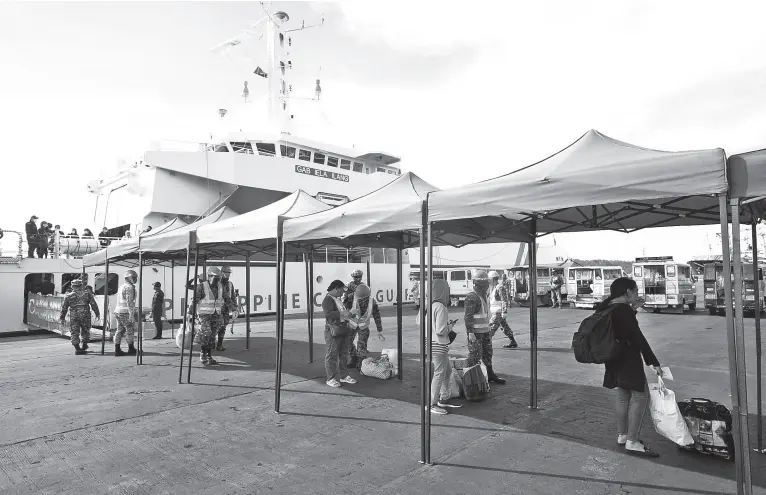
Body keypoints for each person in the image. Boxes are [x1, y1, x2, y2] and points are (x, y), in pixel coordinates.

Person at [599, 277, 663, 458]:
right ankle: (633, 441)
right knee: (641, 396)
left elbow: (621, 329)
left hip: (613, 359)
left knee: (622, 396)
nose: (637, 295)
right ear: (627, 292)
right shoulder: (623, 310)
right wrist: (653, 361)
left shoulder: (607, 306)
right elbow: (637, 337)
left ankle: (623, 435)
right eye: (635, 291)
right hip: (628, 359)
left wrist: (633, 309)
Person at [424, 279, 462, 415]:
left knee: (447, 371)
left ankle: (444, 397)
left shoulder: (430, 305)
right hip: (439, 344)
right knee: (440, 373)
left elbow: (419, 321)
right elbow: (440, 330)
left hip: (430, 342)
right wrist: (450, 326)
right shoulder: (440, 306)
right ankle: (432, 404)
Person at [464, 269, 506, 384]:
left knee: (488, 353)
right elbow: (468, 316)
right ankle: (472, 380)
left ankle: (490, 375)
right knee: (475, 356)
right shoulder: (472, 297)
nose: (487, 285)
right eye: (485, 283)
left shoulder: (483, 295)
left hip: (485, 331)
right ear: (479, 284)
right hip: (476, 333)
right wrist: (470, 333)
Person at [188, 266, 232, 365]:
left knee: (212, 336)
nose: (216, 280)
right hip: (204, 314)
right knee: (206, 332)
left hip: (216, 314)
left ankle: (209, 355)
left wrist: (234, 309)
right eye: (215, 277)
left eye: (218, 278)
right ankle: (203, 353)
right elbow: (194, 300)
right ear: (209, 276)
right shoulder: (201, 286)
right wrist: (189, 313)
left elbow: (227, 299)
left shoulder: (221, 286)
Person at [322, 280, 357, 388]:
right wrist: (347, 314)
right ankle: (330, 378)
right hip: (333, 331)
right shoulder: (328, 300)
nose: (343, 293)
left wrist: (349, 316)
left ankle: (344, 375)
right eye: (341, 290)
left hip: (342, 330)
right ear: (336, 288)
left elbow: (338, 315)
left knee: (343, 354)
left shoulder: (337, 300)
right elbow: (329, 314)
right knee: (332, 355)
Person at [347, 283, 383, 370]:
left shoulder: (372, 302)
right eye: (360, 298)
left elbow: (376, 315)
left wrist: (379, 330)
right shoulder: (351, 297)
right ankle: (354, 358)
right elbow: (344, 309)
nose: (362, 300)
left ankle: (360, 362)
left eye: (364, 298)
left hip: (363, 327)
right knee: (347, 342)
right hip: (352, 325)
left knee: (362, 345)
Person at [59, 278, 100, 355]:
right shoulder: (87, 294)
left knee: (74, 332)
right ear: (81, 286)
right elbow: (93, 304)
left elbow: (64, 308)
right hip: (85, 316)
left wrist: (62, 317)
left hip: (74, 316)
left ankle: (77, 349)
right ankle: (84, 345)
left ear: (72, 286)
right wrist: (97, 313)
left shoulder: (68, 296)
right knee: (86, 331)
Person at [488, 271, 518, 349]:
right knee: (505, 327)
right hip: (496, 311)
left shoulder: (499, 287)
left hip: (498, 312)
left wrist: (504, 311)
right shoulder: (493, 288)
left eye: (489, 279)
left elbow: (504, 300)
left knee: (490, 328)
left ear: (493, 279)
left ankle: (486, 345)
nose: (488, 281)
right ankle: (513, 342)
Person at [113, 269, 139, 357]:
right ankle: (131, 348)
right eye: (133, 277)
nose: (135, 279)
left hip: (118, 311)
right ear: (128, 278)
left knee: (119, 330)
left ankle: (117, 349)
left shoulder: (122, 286)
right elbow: (129, 301)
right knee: (130, 330)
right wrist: (131, 314)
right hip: (125, 312)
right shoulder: (129, 287)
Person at [342, 269, 365, 368]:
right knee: (348, 340)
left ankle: (361, 362)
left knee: (362, 342)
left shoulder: (363, 286)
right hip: (351, 316)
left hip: (361, 317)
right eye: (356, 277)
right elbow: (344, 299)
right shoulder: (348, 285)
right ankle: (354, 358)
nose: (358, 278)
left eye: (359, 276)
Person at [217, 264, 238, 351]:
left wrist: (235, 308)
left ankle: (219, 344)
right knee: (215, 327)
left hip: (226, 309)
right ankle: (211, 345)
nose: (228, 274)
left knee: (223, 326)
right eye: (227, 272)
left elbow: (233, 297)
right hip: (216, 309)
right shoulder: (216, 283)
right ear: (222, 272)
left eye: (229, 272)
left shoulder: (230, 284)